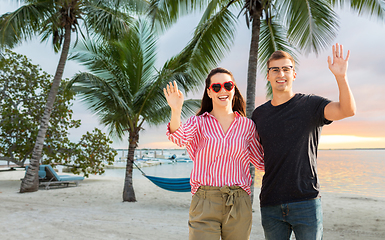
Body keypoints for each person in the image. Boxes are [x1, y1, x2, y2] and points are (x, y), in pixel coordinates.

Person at [251, 43, 356, 240]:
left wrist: (341, 77)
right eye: (275, 69)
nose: (280, 73)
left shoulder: (311, 105)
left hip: (306, 200)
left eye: (285, 68)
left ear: (294, 74)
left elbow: (347, 110)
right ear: (268, 76)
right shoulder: (259, 115)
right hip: (270, 203)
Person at [164, 67, 264, 240]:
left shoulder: (247, 126)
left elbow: (262, 162)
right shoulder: (198, 122)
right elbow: (179, 137)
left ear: (233, 89)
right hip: (205, 201)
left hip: (238, 201)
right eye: (216, 87)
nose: (222, 90)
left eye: (227, 85)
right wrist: (176, 110)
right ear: (209, 92)